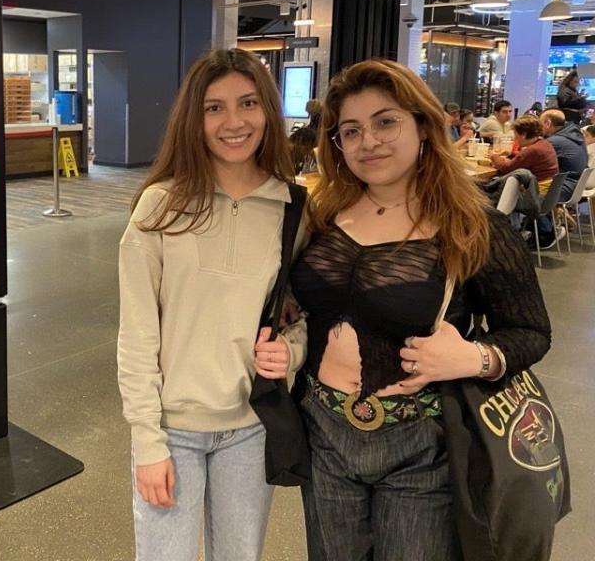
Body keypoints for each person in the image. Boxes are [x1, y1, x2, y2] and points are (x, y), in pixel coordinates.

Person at [254, 60, 551, 561]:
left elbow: (530, 331)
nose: (368, 140)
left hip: (422, 440)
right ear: (338, 145)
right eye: (352, 130)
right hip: (323, 430)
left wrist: (474, 359)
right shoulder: (321, 215)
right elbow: (307, 306)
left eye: (385, 121)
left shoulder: (472, 225)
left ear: (422, 127)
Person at [117, 48, 305, 561]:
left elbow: (299, 315)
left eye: (247, 103)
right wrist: (147, 441)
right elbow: (136, 334)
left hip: (251, 426)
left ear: (267, 109)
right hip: (172, 428)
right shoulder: (160, 205)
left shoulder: (291, 208)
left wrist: (293, 351)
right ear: (193, 119)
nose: (234, 122)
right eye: (214, 107)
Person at [488, 115, 558, 186]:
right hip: (546, 189)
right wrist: (511, 154)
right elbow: (524, 159)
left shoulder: (533, 150)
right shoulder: (544, 143)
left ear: (523, 134)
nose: (515, 138)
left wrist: (494, 156)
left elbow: (506, 169)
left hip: (533, 191)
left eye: (515, 134)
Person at [540, 109, 588, 199]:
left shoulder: (553, 141)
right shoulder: (576, 136)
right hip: (576, 186)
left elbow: (531, 161)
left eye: (540, 124)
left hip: (562, 189)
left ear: (547, 123)